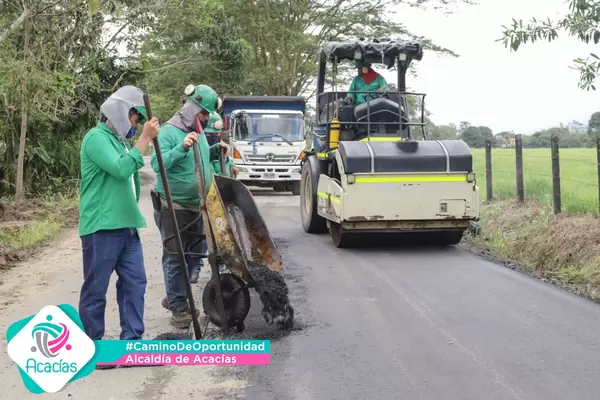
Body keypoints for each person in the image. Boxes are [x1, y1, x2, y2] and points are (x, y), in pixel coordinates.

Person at [78, 85, 160, 353]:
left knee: (135, 284)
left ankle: (132, 341)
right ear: (121, 113)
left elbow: (133, 179)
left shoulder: (120, 142)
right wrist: (145, 138)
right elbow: (122, 169)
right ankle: (92, 345)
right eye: (135, 118)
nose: (136, 124)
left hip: (127, 227)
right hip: (102, 228)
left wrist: (139, 141)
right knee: (96, 289)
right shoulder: (96, 138)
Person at [151, 84, 232, 328]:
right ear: (192, 109)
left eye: (208, 115)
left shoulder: (198, 130)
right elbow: (157, 164)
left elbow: (200, 160)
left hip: (198, 206)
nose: (207, 119)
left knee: (193, 256)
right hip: (173, 206)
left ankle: (176, 294)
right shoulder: (168, 132)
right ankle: (177, 307)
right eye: (204, 114)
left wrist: (215, 149)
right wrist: (181, 146)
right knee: (176, 255)